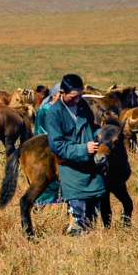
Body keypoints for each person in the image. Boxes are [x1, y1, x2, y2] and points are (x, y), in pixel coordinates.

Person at [42, 73, 104, 235]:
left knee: (93, 213)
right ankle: (75, 247)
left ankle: (91, 246)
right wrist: (84, 149)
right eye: (73, 97)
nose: (77, 100)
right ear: (62, 93)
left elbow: (91, 126)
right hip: (71, 168)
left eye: (80, 96)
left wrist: (101, 133)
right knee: (77, 213)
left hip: (91, 166)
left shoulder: (83, 105)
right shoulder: (54, 113)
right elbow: (57, 146)